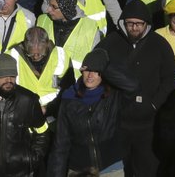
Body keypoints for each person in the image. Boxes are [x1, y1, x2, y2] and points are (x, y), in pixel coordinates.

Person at [97, 0, 175, 175]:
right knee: (116, 170)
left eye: (138, 24)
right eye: (129, 23)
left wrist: (154, 103)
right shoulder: (111, 42)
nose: (134, 28)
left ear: (146, 24)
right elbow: (94, 65)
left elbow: (170, 77)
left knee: (146, 170)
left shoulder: (159, 44)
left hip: (148, 125)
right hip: (117, 123)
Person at [47, 48, 137, 176]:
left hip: (111, 168)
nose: (90, 75)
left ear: (103, 74)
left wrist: (105, 66)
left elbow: (133, 86)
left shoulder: (113, 95)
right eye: (88, 70)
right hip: (79, 170)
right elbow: (60, 146)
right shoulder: (69, 99)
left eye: (96, 71)